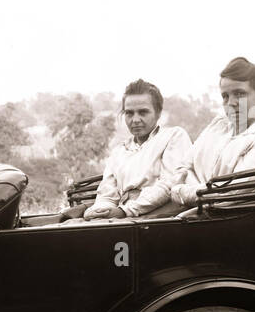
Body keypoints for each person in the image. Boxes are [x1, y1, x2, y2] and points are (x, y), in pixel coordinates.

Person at [67, 79, 192, 220]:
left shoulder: (173, 136)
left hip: (159, 217)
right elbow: (107, 196)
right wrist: (98, 211)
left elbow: (170, 184)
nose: (135, 120)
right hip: (124, 217)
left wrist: (126, 210)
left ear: (158, 113)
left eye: (143, 112)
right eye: (129, 113)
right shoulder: (119, 151)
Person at [171, 56, 255, 207]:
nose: (231, 103)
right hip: (193, 210)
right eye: (225, 96)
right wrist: (194, 191)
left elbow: (229, 194)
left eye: (239, 94)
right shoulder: (219, 124)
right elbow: (183, 168)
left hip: (226, 218)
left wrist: (180, 191)